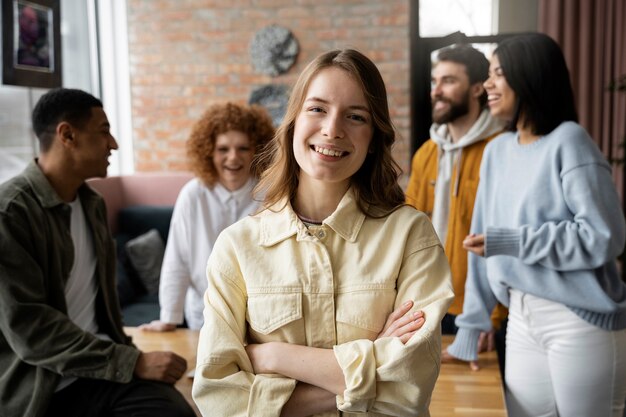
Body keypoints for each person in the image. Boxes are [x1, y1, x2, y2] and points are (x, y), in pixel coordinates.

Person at [192, 49, 454, 416]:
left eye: (356, 116)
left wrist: (273, 356)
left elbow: (409, 386)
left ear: (374, 137)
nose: (333, 129)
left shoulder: (412, 235)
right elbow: (219, 400)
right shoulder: (237, 246)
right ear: (293, 121)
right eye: (317, 109)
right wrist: (372, 367)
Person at [445, 33, 626, 417]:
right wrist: (472, 326)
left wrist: (510, 241)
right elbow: (479, 244)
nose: (487, 85)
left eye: (498, 73)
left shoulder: (569, 142)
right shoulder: (496, 151)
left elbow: (603, 236)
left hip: (579, 318)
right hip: (521, 318)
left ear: (529, 76)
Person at [0, 88, 195, 417]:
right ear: (67, 135)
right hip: (43, 387)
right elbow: (31, 329)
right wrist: (133, 362)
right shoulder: (11, 213)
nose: (114, 144)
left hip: (102, 370)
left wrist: (128, 359)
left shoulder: (91, 204)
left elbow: (103, 311)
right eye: (104, 131)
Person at [405, 44, 507, 353]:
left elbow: (505, 237)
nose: (437, 90)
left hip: (487, 313)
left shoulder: (502, 149)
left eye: (449, 81)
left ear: (478, 88)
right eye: (435, 81)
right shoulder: (426, 154)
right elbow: (409, 230)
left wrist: (493, 314)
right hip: (430, 306)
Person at [139, 102, 274, 332]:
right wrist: (169, 317)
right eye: (223, 149)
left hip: (260, 318)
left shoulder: (271, 194)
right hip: (202, 317)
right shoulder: (192, 195)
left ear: (257, 150)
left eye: (243, 148)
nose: (233, 158)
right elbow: (177, 260)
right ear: (208, 152)